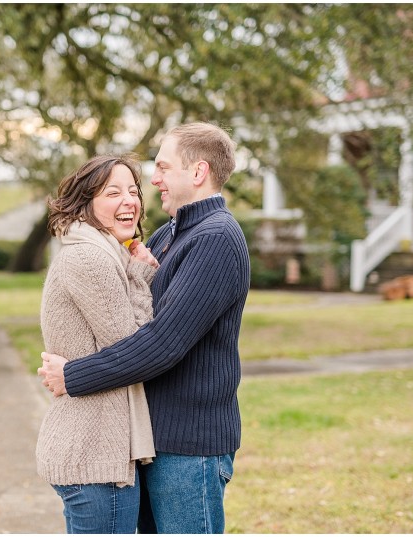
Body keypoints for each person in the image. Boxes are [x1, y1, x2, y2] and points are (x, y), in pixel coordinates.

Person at [39, 122, 251, 534]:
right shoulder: (170, 233)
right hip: (154, 442)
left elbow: (162, 343)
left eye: (163, 168)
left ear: (198, 172)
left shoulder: (216, 237)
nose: (153, 181)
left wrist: (73, 375)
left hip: (191, 445)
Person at [35, 154, 161, 534]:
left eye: (134, 191)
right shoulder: (91, 258)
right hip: (94, 453)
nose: (130, 201)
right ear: (86, 203)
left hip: (95, 450)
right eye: (113, 192)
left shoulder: (97, 252)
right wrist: (140, 276)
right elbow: (133, 347)